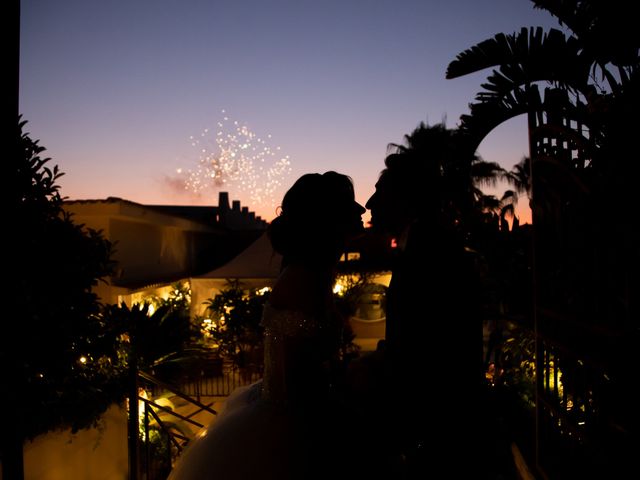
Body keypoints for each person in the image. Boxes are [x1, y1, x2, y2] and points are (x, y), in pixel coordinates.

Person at [168, 172, 377, 480]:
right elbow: (295, 375)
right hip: (295, 425)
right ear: (324, 220)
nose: (361, 211)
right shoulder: (303, 279)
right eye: (348, 205)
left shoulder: (314, 273)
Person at [366, 151, 481, 477]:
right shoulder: (420, 241)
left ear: (406, 199)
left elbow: (431, 340)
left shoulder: (430, 248)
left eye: (380, 193)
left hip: (438, 414)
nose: (370, 203)